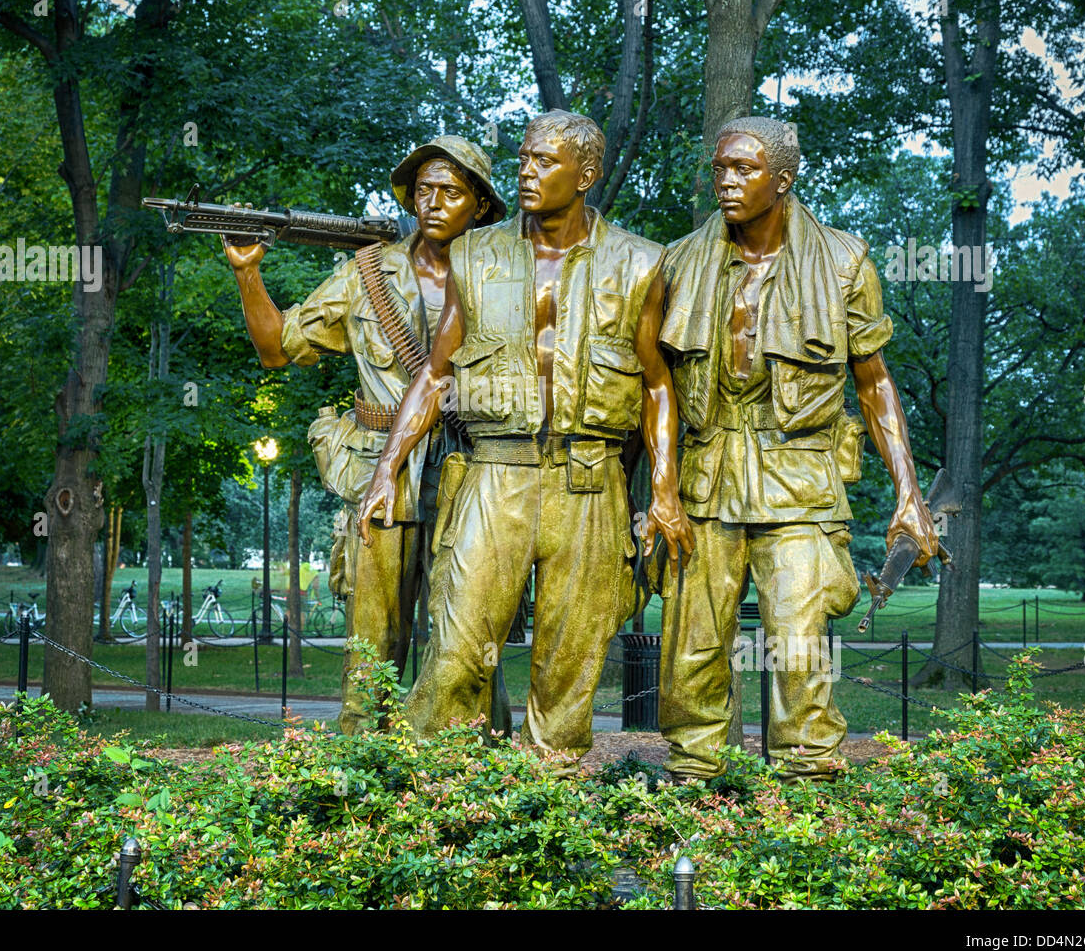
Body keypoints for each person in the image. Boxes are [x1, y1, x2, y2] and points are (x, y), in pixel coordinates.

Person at [358, 110, 693, 768]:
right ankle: (437, 809)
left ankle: (549, 818)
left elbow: (658, 385)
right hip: (494, 475)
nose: (528, 171)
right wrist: (385, 471)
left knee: (569, 669)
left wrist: (664, 492)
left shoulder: (641, 263)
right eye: (525, 158)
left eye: (546, 161)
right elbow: (434, 374)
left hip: (589, 483)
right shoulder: (475, 253)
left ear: (586, 173)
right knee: (456, 652)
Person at [657, 116, 938, 781]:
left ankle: (805, 799)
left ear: (782, 181)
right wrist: (657, 493)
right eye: (721, 167)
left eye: (744, 170)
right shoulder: (676, 263)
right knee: (693, 645)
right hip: (705, 479)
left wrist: (909, 494)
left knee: (798, 646)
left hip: (800, 480)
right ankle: (695, 785)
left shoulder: (844, 262)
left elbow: (875, 385)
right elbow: (654, 390)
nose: (727, 181)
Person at [224, 136, 512, 735]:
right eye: (423, 190)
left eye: (451, 192)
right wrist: (249, 273)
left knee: (469, 627)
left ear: (480, 205)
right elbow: (277, 349)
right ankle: (364, 764)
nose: (432, 203)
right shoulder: (365, 273)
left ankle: (475, 760)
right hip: (381, 467)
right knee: (373, 637)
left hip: (475, 468)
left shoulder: (504, 275)